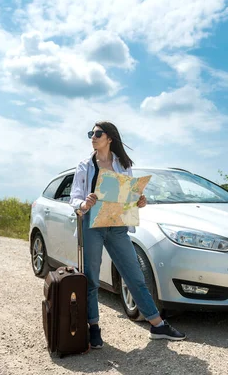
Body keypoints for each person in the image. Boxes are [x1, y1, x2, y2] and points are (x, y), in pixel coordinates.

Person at [69, 121, 186, 349]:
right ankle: (93, 327)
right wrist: (84, 203)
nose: (93, 137)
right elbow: (74, 199)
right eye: (91, 134)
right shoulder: (85, 165)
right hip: (91, 225)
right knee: (91, 279)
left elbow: (127, 198)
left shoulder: (123, 165)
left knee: (134, 276)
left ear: (109, 138)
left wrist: (139, 201)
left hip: (117, 225)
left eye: (97, 133)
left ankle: (157, 325)